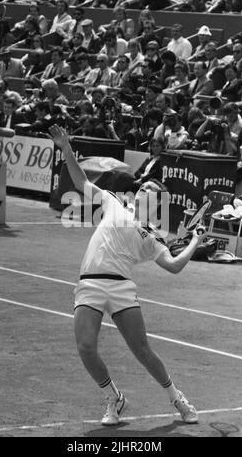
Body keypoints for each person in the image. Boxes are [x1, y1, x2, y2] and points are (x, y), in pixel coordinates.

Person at [48, 123, 204, 427]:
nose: (142, 189)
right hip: (90, 283)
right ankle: (115, 398)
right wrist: (66, 149)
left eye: (149, 190)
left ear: (157, 201)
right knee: (85, 347)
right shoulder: (113, 202)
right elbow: (80, 182)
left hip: (121, 289)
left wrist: (196, 242)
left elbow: (173, 265)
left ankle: (177, 397)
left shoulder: (152, 236)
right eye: (142, 187)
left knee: (142, 350)